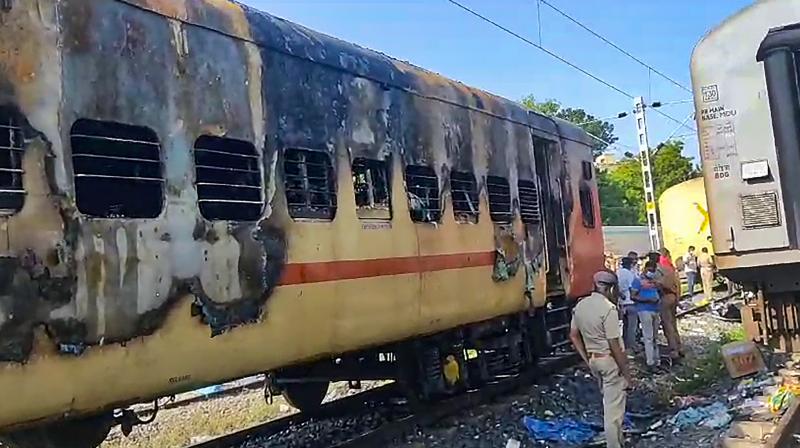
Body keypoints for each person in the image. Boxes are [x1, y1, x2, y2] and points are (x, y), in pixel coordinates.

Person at [570, 271, 632, 448]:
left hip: (594, 361)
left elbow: (573, 335)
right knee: (613, 413)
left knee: (609, 404)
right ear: (611, 288)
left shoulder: (581, 305)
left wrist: (587, 358)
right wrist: (627, 374)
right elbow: (614, 344)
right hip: (610, 362)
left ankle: (619, 443)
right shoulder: (608, 309)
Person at [633, 261, 662, 369]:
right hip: (644, 309)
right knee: (648, 337)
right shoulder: (638, 281)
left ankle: (657, 360)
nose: (651, 272)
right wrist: (647, 300)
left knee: (655, 337)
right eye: (650, 270)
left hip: (655, 309)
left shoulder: (654, 281)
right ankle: (650, 361)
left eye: (653, 271)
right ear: (645, 269)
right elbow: (633, 296)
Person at [657, 248, 683, 359]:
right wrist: (678, 298)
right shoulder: (671, 268)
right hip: (673, 297)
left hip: (664, 298)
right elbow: (678, 285)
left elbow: (659, 285)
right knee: (673, 323)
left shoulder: (659, 269)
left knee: (667, 325)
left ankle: (673, 350)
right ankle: (679, 346)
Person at [616, 257, 639, 351]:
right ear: (630, 265)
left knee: (623, 326)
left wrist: (620, 296)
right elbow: (631, 287)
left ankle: (623, 344)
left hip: (621, 303)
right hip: (630, 302)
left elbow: (615, 288)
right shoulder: (630, 274)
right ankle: (631, 345)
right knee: (632, 326)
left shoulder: (617, 273)